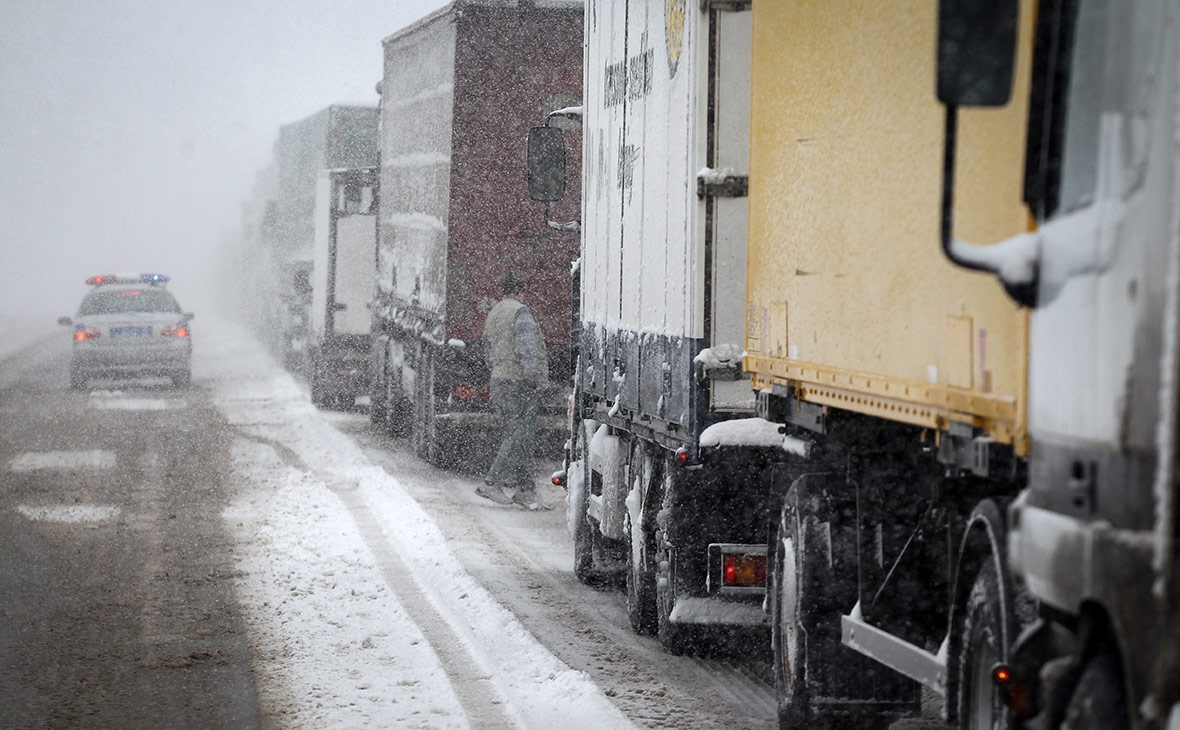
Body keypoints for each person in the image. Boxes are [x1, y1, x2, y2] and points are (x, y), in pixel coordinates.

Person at [475, 270, 548, 509]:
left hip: (499, 380)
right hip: (520, 383)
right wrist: (534, 378)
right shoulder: (521, 312)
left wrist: (498, 369)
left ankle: (526, 490)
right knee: (519, 435)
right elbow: (527, 349)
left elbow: (486, 350)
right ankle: (492, 482)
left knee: (517, 436)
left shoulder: (494, 312)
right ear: (521, 290)